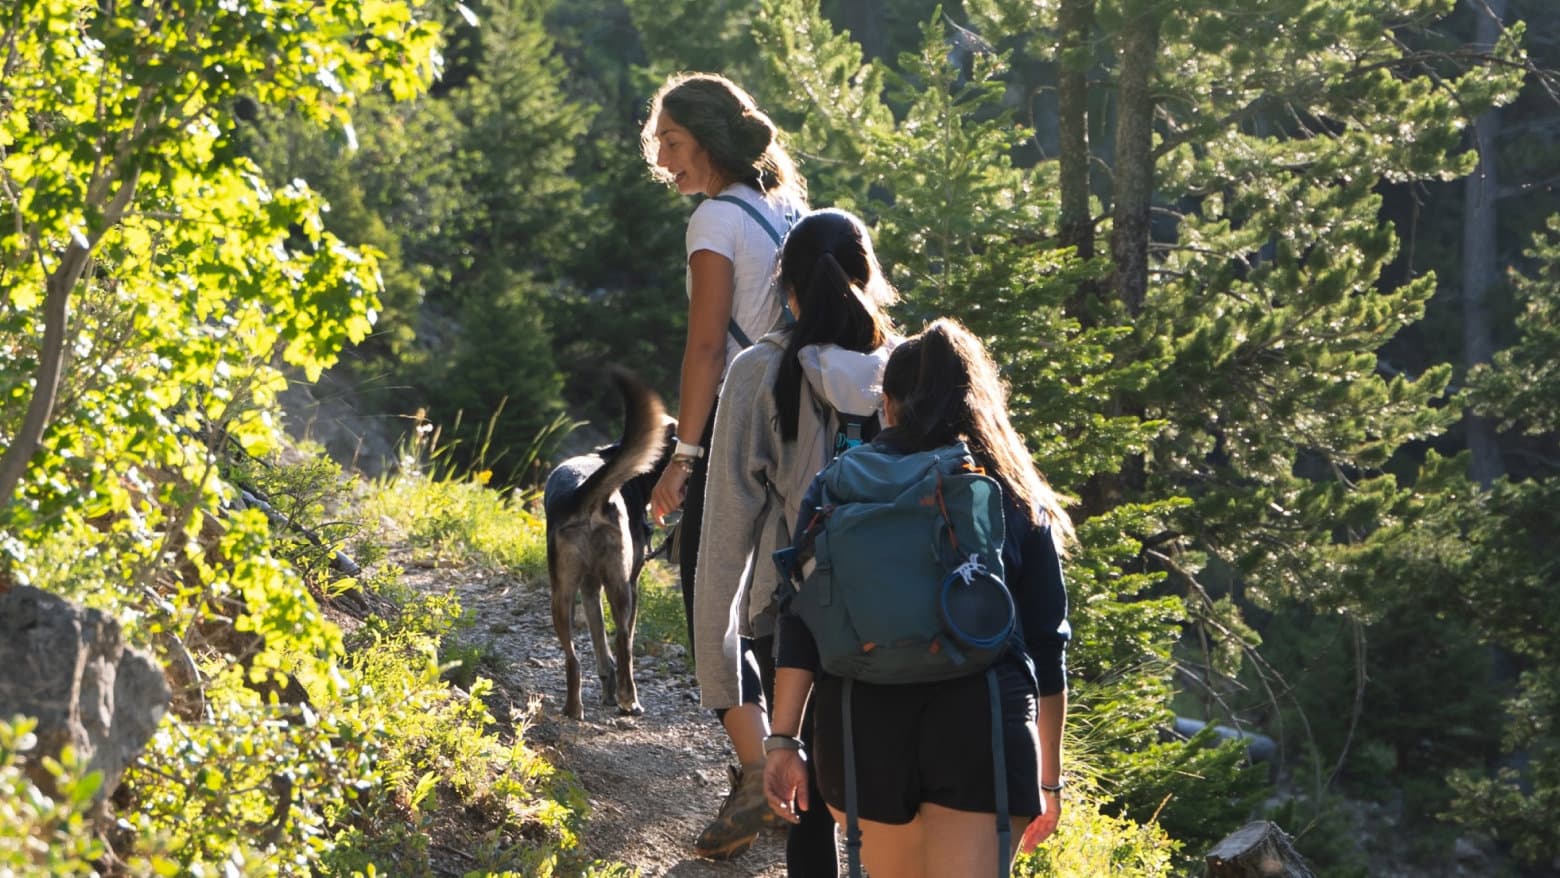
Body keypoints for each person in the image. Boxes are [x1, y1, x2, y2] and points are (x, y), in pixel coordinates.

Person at [763, 318, 1073, 877]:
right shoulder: (1009, 490)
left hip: (861, 721)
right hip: (980, 721)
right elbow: (1048, 647)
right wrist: (1048, 778)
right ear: (978, 402)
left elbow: (801, 620)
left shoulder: (836, 482)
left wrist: (783, 740)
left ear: (888, 404)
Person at [694, 208, 899, 869]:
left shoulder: (761, 370)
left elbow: (728, 524)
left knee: (802, 798)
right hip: (896, 614)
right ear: (869, 281)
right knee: (879, 795)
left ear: (786, 288)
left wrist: (718, 669)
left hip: (789, 618)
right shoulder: (903, 370)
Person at [638, 72, 807, 859]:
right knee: (777, 604)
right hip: (802, 430)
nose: (663, 158)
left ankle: (755, 777)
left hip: (737, 431)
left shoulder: (712, 221)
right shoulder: (785, 209)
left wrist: (684, 457)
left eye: (671, 142)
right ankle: (793, 769)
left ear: (705, 141)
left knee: (715, 602)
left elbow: (707, 347)